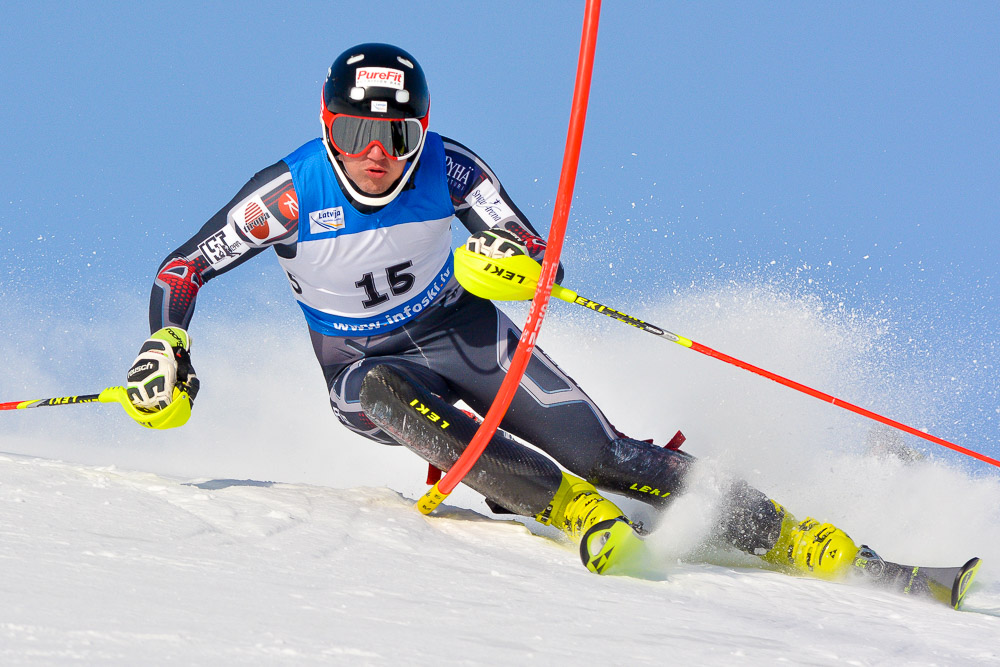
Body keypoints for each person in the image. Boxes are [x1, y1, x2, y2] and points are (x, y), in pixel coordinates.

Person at [125, 43, 860, 577]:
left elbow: (538, 255)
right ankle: (567, 508)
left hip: (460, 330)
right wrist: (166, 341)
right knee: (382, 392)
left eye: (396, 136)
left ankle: (791, 533)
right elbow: (184, 266)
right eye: (355, 134)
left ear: (421, 131)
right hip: (359, 365)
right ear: (328, 128)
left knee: (606, 453)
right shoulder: (287, 193)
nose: (376, 155)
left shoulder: (450, 167)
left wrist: (511, 264)